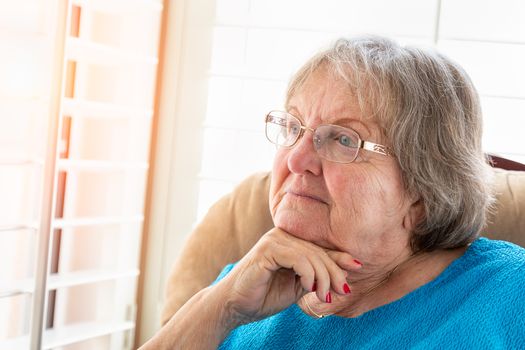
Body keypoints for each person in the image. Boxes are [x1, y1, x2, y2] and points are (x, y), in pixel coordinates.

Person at [141, 36, 525, 349]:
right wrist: (220, 306)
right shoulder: (242, 288)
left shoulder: (509, 292)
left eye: (344, 139)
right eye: (293, 127)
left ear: (423, 190)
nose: (297, 159)